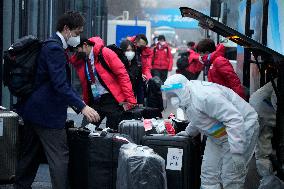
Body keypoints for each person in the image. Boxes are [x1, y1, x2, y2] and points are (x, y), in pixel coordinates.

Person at [14, 11, 100, 189]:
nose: (78, 37)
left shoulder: (52, 45)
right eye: (77, 33)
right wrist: (82, 107)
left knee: (29, 156)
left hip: (33, 110)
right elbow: (60, 85)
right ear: (66, 29)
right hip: (47, 114)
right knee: (59, 156)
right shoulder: (54, 48)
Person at [162, 74, 259, 189]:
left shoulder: (206, 97)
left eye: (173, 94)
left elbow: (234, 119)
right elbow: (199, 116)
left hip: (242, 129)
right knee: (209, 175)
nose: (172, 98)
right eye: (169, 94)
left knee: (231, 177)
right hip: (219, 135)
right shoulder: (188, 97)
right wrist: (189, 132)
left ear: (181, 90)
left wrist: (237, 152)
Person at [76, 37, 137, 129]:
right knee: (85, 131)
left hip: (112, 99)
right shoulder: (84, 60)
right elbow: (86, 84)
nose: (77, 52)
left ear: (85, 45)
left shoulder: (105, 53)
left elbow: (123, 75)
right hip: (95, 100)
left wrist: (130, 100)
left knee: (113, 133)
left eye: (78, 49)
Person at [249, 80, 277, 178]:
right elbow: (276, 101)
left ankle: (266, 176)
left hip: (262, 107)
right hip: (262, 109)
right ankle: (266, 177)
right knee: (261, 142)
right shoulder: (280, 82)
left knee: (262, 140)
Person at [120, 39, 144, 105]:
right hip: (120, 100)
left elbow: (139, 86)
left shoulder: (137, 65)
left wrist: (140, 102)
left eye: (132, 50)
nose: (130, 52)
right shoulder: (118, 65)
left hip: (132, 99)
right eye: (128, 50)